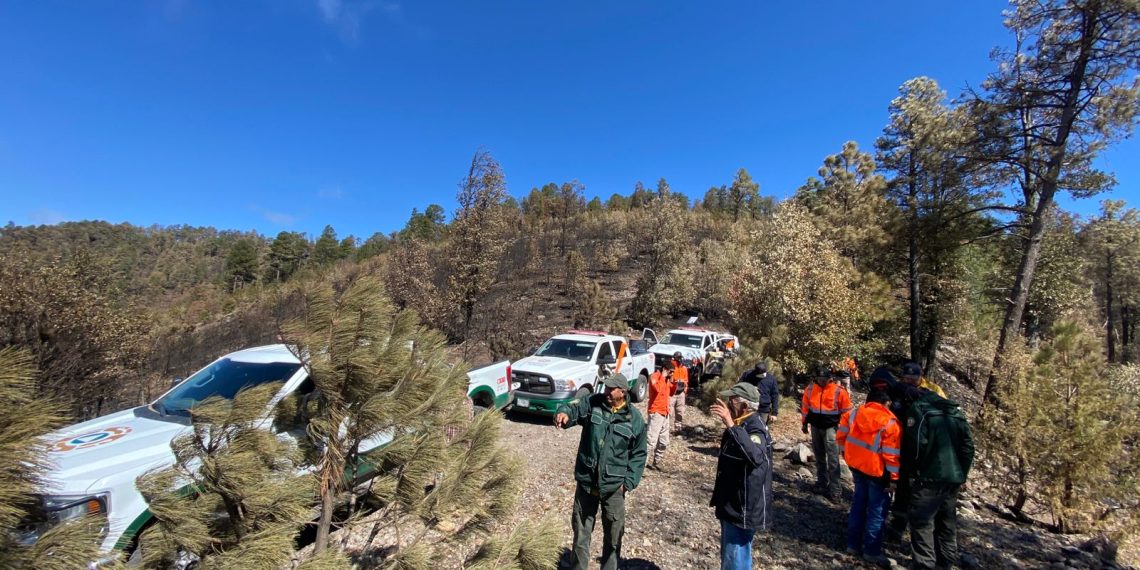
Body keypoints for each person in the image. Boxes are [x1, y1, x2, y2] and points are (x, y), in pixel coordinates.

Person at [554, 373, 648, 570]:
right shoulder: (593, 402)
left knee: (613, 538)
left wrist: (628, 483)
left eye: (611, 389)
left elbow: (639, 454)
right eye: (605, 387)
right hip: (587, 483)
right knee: (581, 534)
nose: (606, 392)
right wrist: (564, 414)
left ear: (622, 392)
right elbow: (574, 407)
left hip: (614, 488)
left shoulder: (635, 419)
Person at [902, 390, 974, 570]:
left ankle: (924, 564)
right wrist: (961, 474)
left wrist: (913, 469)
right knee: (946, 521)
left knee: (922, 521)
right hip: (953, 477)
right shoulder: (956, 413)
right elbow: (968, 447)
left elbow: (916, 444)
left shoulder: (919, 409)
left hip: (929, 475)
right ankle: (946, 561)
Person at [709, 382, 773, 570]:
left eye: (732, 400)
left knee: (736, 558)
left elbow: (755, 456)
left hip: (743, 508)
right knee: (729, 557)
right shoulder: (741, 424)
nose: (728, 404)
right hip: (732, 504)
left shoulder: (755, 428)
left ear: (745, 406)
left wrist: (730, 423)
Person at [838, 390, 902, 567]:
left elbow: (841, 437)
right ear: (886, 402)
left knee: (858, 505)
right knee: (877, 512)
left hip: (857, 467)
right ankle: (871, 551)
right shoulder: (890, 423)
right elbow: (891, 455)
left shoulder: (853, 414)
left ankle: (852, 545)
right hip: (877, 473)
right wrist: (894, 479)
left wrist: (848, 457)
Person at [801, 364, 853, 501]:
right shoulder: (811, 389)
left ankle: (835, 490)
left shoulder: (838, 391)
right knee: (819, 457)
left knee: (833, 460)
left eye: (824, 378)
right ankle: (822, 483)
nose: (822, 381)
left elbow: (847, 412)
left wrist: (842, 429)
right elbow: (806, 408)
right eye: (819, 378)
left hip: (832, 428)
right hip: (815, 426)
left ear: (829, 378)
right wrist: (804, 423)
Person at [645, 361, 673, 470]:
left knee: (664, 441)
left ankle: (657, 462)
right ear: (665, 369)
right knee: (650, 441)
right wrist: (663, 376)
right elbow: (657, 389)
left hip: (665, 412)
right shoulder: (655, 376)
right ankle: (641, 466)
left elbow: (672, 392)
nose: (671, 374)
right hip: (656, 412)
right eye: (671, 372)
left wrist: (673, 382)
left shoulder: (666, 380)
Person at [670, 352, 688, 434]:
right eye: (678, 358)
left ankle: (678, 428)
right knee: (669, 411)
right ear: (674, 358)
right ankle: (665, 428)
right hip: (671, 393)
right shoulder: (671, 367)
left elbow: (686, 380)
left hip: (681, 393)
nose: (680, 359)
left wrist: (685, 390)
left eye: (680, 357)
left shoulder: (684, 368)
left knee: (680, 411)